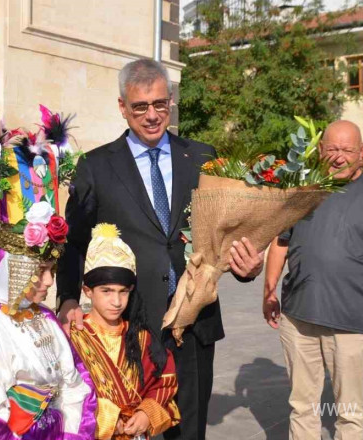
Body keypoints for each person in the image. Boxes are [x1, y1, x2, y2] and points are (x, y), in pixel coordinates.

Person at [56, 58, 263, 440]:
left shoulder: (203, 157)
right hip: (130, 326)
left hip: (194, 321)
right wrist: (68, 298)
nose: (152, 115)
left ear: (170, 101)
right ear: (123, 107)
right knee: (131, 430)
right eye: (140, 107)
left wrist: (247, 266)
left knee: (189, 431)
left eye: (160, 104)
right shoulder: (96, 166)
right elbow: (73, 242)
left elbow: (227, 232)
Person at [0, 103, 97, 440]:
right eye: (39, 272)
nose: (49, 282)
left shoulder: (46, 319)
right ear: (11, 270)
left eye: (51, 270)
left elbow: (75, 386)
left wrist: (71, 434)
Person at [262, 120, 363, 439]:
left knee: (350, 413)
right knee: (302, 406)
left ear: (362, 153)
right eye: (332, 149)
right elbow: (280, 241)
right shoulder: (303, 191)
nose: (339, 157)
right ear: (321, 150)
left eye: (347, 150)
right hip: (298, 320)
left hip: (351, 325)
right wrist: (269, 291)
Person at [71, 223, 180, 440]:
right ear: (87, 291)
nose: (117, 301)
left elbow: (164, 384)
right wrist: (108, 420)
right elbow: (63, 395)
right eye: (107, 291)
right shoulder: (73, 337)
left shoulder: (141, 337)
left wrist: (146, 413)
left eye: (124, 292)